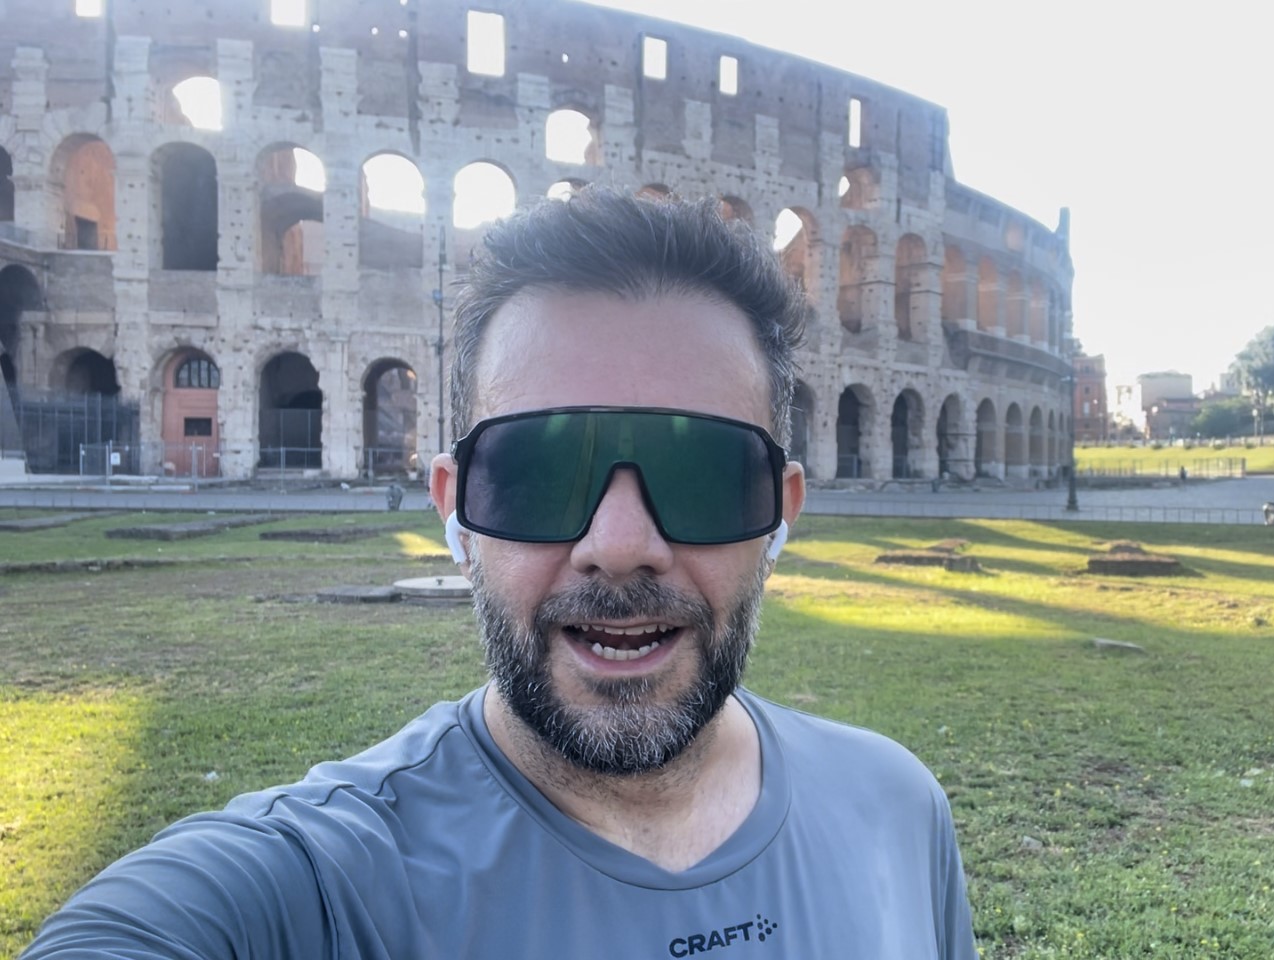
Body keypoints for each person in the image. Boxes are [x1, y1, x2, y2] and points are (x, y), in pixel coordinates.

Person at [25, 190, 977, 958]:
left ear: (780, 512)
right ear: (456, 507)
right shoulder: (322, 882)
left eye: (699, 471)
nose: (619, 542)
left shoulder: (899, 807)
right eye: (537, 469)